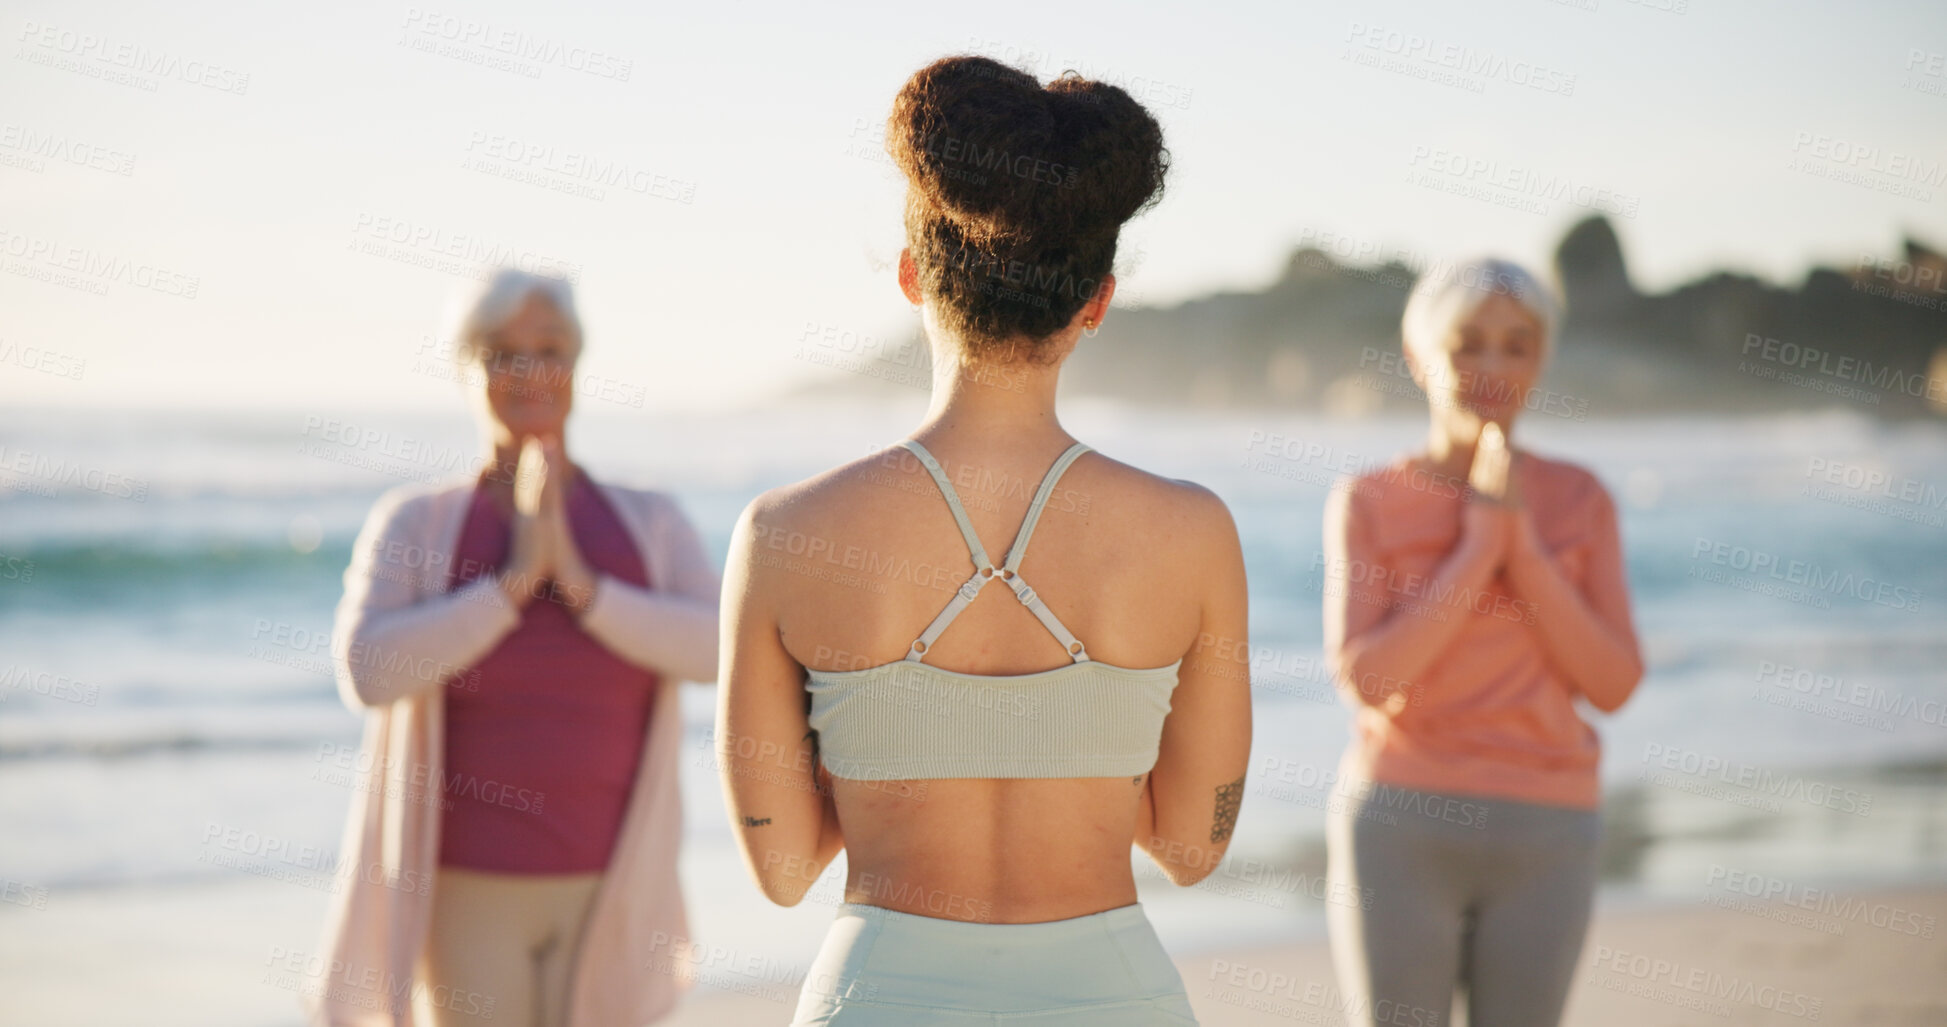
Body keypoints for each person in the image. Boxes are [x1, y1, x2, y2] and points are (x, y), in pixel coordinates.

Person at [714, 55, 1251, 1025]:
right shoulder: (1191, 533)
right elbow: (1191, 846)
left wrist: (895, 741)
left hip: (879, 994)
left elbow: (784, 866)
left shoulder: (787, 533)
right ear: (1096, 300)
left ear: (915, 276)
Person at [305, 268, 721, 1027]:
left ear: (577, 365)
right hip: (467, 888)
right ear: (468, 369)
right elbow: (367, 671)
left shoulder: (648, 521)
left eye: (550, 349)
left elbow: (714, 651)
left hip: (616, 882)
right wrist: (514, 581)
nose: (529, 372)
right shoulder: (416, 522)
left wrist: (582, 584)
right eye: (502, 352)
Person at [1320, 257, 1645, 1027]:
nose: (1491, 367)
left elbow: (1612, 684)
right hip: (1402, 823)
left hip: (1549, 830)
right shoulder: (1369, 499)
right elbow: (1367, 678)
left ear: (1541, 359)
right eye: (1467, 342)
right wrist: (1477, 544)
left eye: (1516, 344)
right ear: (1418, 356)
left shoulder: (1579, 497)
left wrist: (1520, 546)